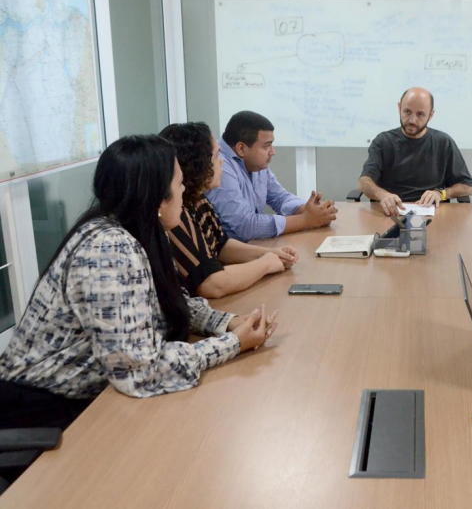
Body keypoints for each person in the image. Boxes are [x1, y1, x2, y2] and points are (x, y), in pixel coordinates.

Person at [0, 136, 278, 431]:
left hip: (90, 395)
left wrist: (228, 323)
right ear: (158, 197)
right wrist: (233, 344)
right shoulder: (109, 249)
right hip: (40, 408)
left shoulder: (142, 230)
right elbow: (140, 370)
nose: (185, 191)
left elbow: (173, 299)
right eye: (180, 183)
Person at [159, 122, 300, 299]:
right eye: (216, 156)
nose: (222, 161)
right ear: (197, 164)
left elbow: (222, 245)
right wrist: (265, 264)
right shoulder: (173, 213)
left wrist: (269, 253)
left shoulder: (198, 198)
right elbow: (211, 284)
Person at [207, 110, 337, 241]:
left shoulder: (255, 164)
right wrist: (305, 220)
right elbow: (245, 225)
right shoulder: (220, 166)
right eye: (266, 146)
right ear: (241, 148)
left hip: (255, 247)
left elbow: (280, 197)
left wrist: (308, 210)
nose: (272, 152)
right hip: (230, 257)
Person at [358, 87, 472, 216]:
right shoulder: (383, 141)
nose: (412, 120)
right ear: (399, 108)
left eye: (420, 114)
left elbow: (467, 187)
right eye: (407, 112)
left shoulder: (443, 142)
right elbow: (364, 182)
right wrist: (383, 195)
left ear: (431, 115)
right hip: (391, 213)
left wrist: (441, 193)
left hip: (432, 215)